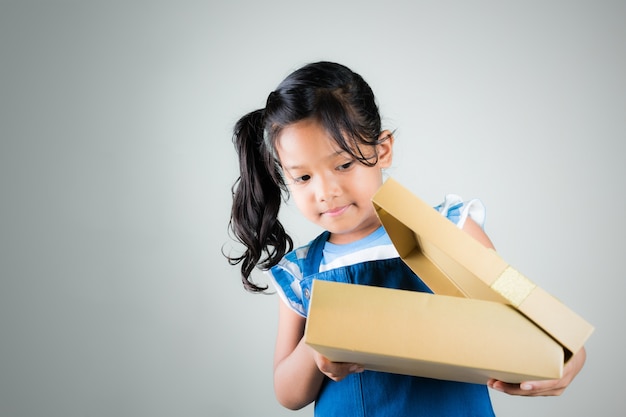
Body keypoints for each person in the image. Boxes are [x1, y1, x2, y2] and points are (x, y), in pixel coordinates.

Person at [226, 61, 586, 416]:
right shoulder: (302, 270)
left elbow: (527, 304)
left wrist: (570, 353)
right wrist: (317, 343)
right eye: (303, 178)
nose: (326, 191)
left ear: (382, 150)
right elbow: (287, 395)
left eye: (344, 165)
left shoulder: (448, 228)